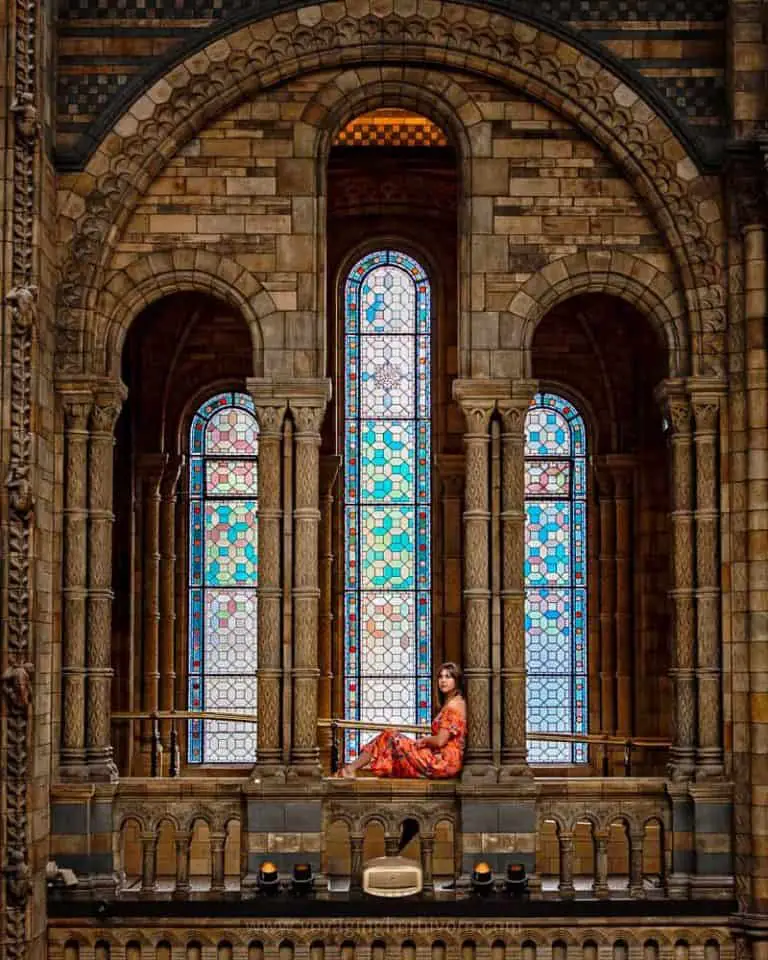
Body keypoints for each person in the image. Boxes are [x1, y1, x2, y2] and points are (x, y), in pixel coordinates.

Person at [337, 662, 466, 779]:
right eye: (440, 677)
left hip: (443, 762)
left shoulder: (453, 706)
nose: (443, 680)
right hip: (441, 758)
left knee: (390, 735)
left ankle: (351, 768)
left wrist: (423, 740)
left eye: (448, 677)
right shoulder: (453, 702)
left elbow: (440, 741)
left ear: (457, 680)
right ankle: (351, 769)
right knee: (390, 739)